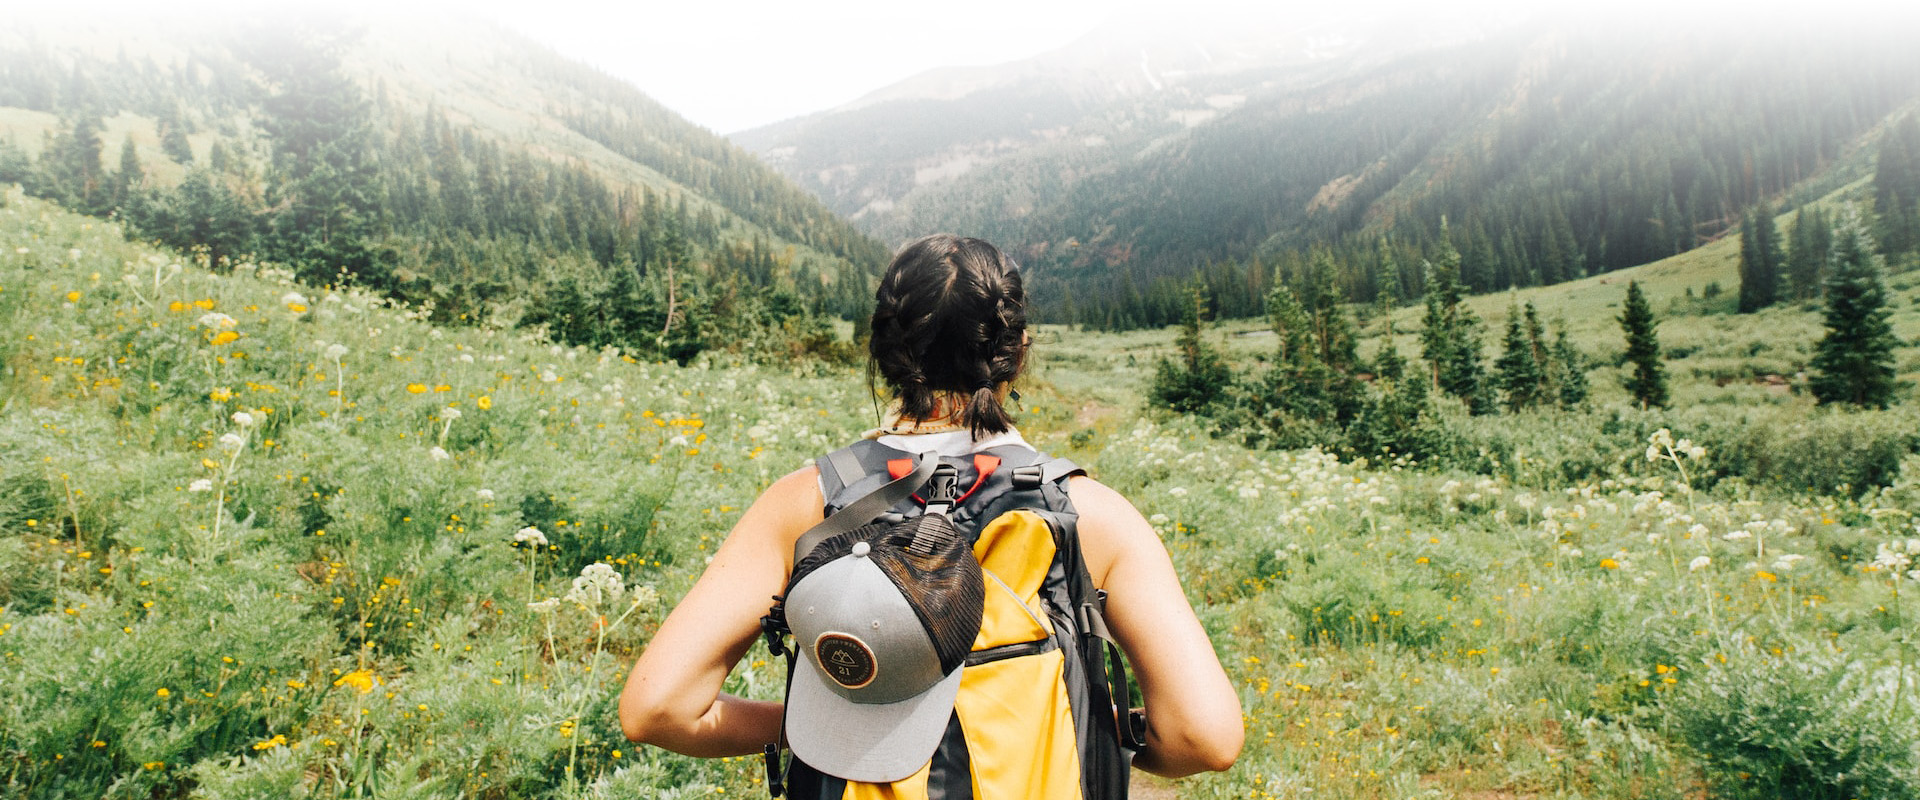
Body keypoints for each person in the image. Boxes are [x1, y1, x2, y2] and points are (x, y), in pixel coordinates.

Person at [619, 234, 1242, 791]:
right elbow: (1204, 737)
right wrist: (1098, 732)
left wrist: (814, 727)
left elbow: (659, 709)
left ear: (885, 354)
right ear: (1017, 353)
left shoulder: (807, 503)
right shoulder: (1092, 515)